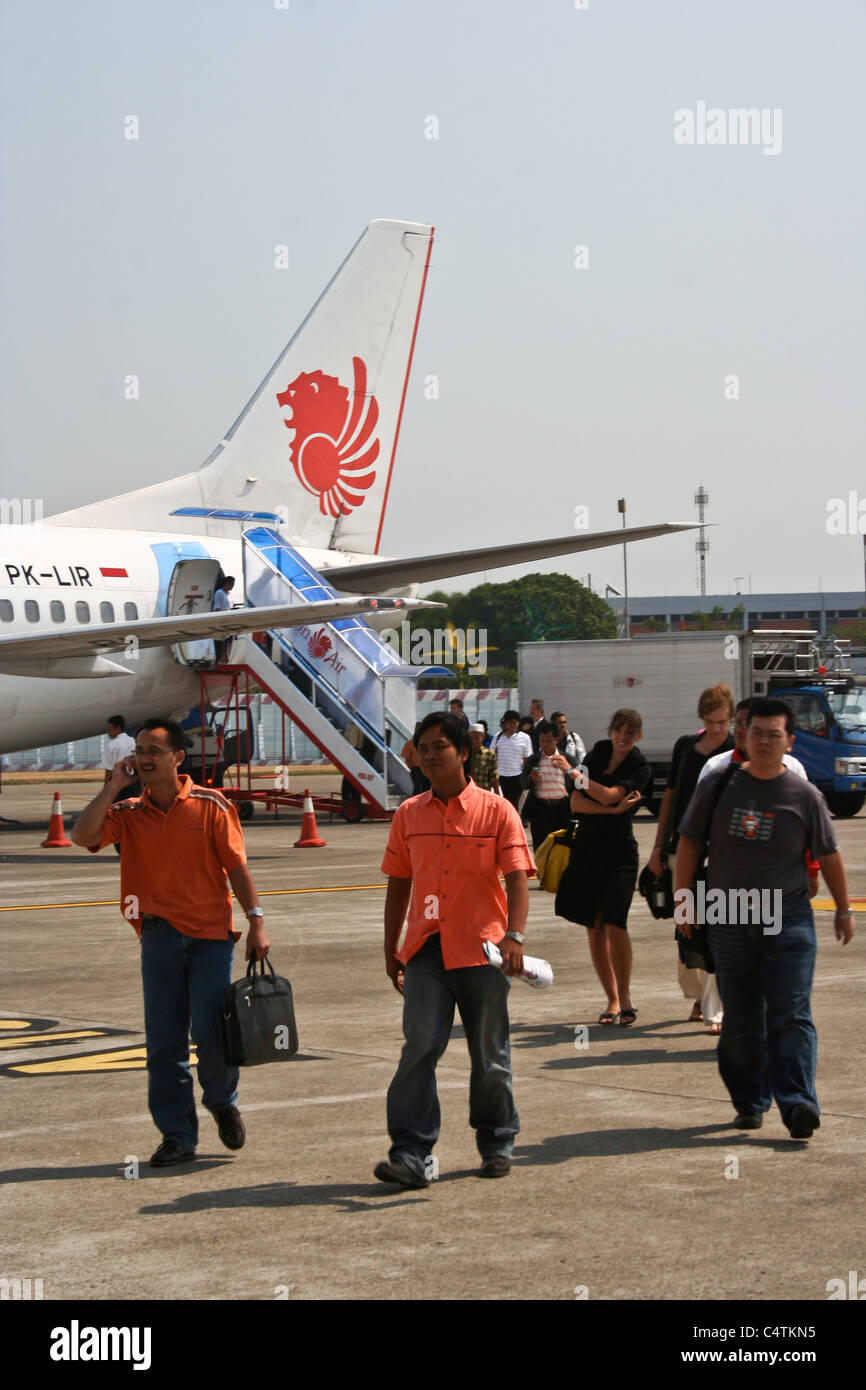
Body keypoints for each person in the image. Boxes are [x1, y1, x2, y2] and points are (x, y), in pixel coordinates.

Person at [70, 717, 269, 1167]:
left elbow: (236, 867)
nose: (143, 758)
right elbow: (82, 836)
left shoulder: (211, 805)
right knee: (163, 1043)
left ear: (178, 758)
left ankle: (221, 1100)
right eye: (139, 750)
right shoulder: (126, 814)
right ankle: (178, 1135)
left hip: (210, 939)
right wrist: (112, 787)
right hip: (158, 936)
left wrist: (256, 921)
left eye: (154, 751)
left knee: (211, 1033)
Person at [675, 698, 853, 1138]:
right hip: (729, 915)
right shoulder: (717, 784)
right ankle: (751, 1099)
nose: (765, 742)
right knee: (742, 1018)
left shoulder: (803, 794)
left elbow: (828, 853)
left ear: (790, 741)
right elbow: (690, 844)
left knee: (791, 1012)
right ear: (744, 735)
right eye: (757, 733)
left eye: (775, 735)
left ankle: (798, 1104)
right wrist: (683, 901)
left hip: (787, 916)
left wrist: (843, 909)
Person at [375, 712, 534, 1187]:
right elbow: (399, 883)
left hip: (483, 949)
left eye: (438, 746)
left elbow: (519, 879)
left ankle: (497, 1140)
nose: (427, 755)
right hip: (426, 949)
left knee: (490, 1052)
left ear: (463, 752)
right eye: (421, 748)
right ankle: (410, 1152)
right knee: (420, 1047)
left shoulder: (496, 811)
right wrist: (391, 946)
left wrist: (515, 937)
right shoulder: (409, 814)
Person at [647, 683, 735, 1033]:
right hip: (680, 847)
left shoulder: (733, 752)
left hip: (718, 854)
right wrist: (657, 845)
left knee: (716, 923)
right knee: (685, 924)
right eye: (711, 722)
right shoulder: (685, 747)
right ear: (702, 718)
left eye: (723, 722)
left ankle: (713, 1004)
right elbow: (669, 796)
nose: (717, 729)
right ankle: (698, 992)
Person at [555, 709, 650, 1025]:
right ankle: (610, 1000)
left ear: (637, 736)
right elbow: (576, 803)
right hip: (588, 851)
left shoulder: (639, 766)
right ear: (611, 730)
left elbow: (609, 795)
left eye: (629, 733)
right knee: (594, 927)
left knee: (615, 923)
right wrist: (609, 810)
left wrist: (573, 773)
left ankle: (625, 997)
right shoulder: (599, 751)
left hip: (621, 854)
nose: (622, 738)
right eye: (618, 730)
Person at [521, 719, 579, 851]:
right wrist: (531, 778)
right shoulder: (533, 760)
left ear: (557, 739)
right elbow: (523, 784)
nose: (545, 745)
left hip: (563, 810)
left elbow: (583, 784)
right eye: (542, 741)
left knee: (563, 849)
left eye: (549, 741)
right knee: (541, 849)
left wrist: (569, 769)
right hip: (540, 810)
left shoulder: (569, 759)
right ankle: (541, 872)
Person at [492, 709, 532, 809]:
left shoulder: (525, 738)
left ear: (518, 723)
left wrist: (526, 775)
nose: (512, 726)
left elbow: (527, 759)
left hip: (517, 776)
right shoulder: (498, 736)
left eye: (515, 723)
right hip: (500, 777)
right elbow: (492, 755)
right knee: (502, 803)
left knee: (514, 804)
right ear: (505, 723)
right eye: (510, 723)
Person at [469, 723, 499, 792]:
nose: (474, 740)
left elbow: (494, 776)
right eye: (472, 737)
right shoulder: (464, 753)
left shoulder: (489, 754)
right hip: (467, 793)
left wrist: (497, 793)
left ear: (483, 737)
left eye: (476, 737)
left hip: (483, 792)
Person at [214, 576, 236, 662]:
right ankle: (221, 658)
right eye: (231, 585)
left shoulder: (228, 594)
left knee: (228, 639)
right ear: (226, 584)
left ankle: (226, 657)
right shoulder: (219, 593)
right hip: (222, 619)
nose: (232, 587)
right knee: (222, 640)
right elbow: (217, 607)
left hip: (228, 619)